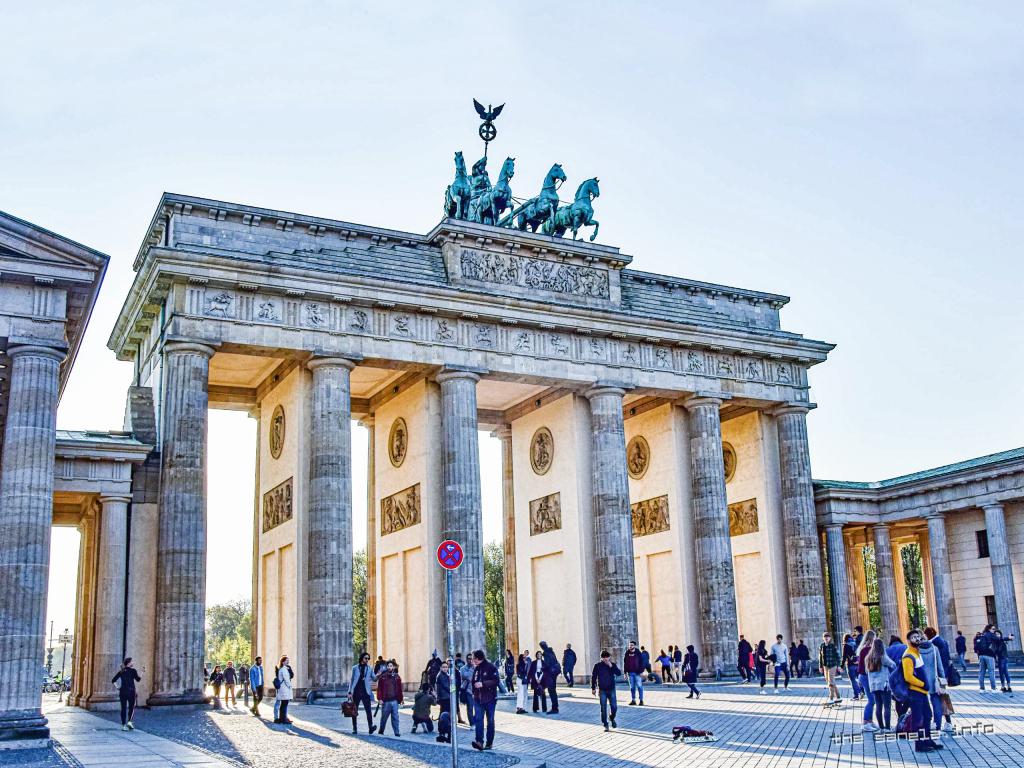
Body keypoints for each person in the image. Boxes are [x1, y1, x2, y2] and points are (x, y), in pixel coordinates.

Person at [902, 629, 943, 753]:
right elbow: (908, 676)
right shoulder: (908, 655)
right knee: (918, 719)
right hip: (915, 692)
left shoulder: (916, 652)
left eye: (918, 637)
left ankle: (927, 740)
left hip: (921, 692)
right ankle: (919, 745)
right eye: (914, 637)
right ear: (908, 641)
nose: (917, 639)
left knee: (927, 716)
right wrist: (923, 684)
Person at [920, 627, 951, 735]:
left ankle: (925, 727)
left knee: (923, 704)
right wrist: (943, 680)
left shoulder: (916, 650)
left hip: (920, 681)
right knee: (936, 703)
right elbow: (940, 667)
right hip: (934, 681)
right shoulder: (934, 648)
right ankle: (937, 727)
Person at [864, 638, 896, 732]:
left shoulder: (868, 658)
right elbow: (893, 665)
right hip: (884, 685)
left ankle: (881, 727)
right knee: (887, 707)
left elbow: (866, 671)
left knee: (878, 706)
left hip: (873, 686)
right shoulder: (882, 657)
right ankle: (887, 727)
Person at [470, 649, 499, 751]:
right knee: (478, 720)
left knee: (490, 721)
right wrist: (474, 692)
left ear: (478, 658)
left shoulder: (491, 667)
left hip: (490, 699)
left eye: (473, 658)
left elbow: (496, 681)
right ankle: (479, 742)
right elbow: (473, 681)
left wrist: (483, 684)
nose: (472, 660)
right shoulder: (476, 669)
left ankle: (489, 743)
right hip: (478, 699)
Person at [591, 650, 621, 731]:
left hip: (611, 689)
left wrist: (611, 666)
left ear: (609, 657)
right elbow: (593, 677)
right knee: (603, 708)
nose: (605, 659)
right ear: (601, 658)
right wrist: (593, 688)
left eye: (607, 657)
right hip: (602, 690)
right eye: (603, 657)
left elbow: (618, 673)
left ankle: (611, 718)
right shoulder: (597, 666)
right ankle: (605, 724)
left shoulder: (612, 665)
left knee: (614, 707)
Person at [347, 652, 376, 734]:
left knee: (368, 711)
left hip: (366, 692)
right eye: (366, 658)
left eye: (368, 659)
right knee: (354, 711)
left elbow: (374, 679)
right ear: (362, 658)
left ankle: (370, 727)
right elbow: (352, 681)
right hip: (356, 692)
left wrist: (378, 675)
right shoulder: (355, 668)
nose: (367, 660)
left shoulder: (370, 668)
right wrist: (349, 692)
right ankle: (354, 728)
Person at [855, 630, 877, 730]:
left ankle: (870, 721)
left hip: (863, 676)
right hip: (866, 676)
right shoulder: (868, 649)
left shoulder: (863, 649)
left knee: (872, 700)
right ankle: (865, 722)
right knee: (871, 700)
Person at [112, 657, 141, 731]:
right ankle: (129, 722)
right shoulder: (133, 671)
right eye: (132, 662)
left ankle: (124, 725)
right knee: (131, 707)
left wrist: (117, 687)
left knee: (123, 708)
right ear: (129, 663)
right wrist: (142, 672)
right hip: (131, 691)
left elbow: (113, 680)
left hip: (123, 691)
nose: (133, 663)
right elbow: (138, 680)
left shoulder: (121, 671)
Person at [376, 659, 403, 736]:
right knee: (384, 718)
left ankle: (396, 732)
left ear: (394, 667)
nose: (389, 667)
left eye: (391, 666)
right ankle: (381, 730)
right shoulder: (383, 677)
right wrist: (379, 698)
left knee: (395, 718)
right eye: (388, 666)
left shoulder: (397, 677)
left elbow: (400, 689)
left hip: (394, 701)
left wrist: (401, 699)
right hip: (386, 701)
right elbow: (379, 689)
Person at [819, 632, 842, 706]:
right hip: (825, 666)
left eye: (828, 637)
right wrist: (820, 666)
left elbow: (838, 656)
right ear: (823, 638)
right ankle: (838, 697)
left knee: (831, 682)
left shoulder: (833, 646)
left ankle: (831, 698)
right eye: (825, 637)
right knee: (829, 681)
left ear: (830, 638)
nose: (826, 638)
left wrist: (839, 665)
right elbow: (820, 657)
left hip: (833, 665)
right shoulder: (822, 646)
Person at [539, 641, 561, 714]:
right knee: (553, 690)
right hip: (554, 674)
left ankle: (554, 708)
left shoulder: (546, 653)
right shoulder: (551, 652)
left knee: (551, 690)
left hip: (550, 675)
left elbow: (547, 665)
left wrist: (542, 668)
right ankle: (555, 707)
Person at [976, 625, 998, 691]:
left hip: (981, 656)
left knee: (981, 672)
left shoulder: (982, 635)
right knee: (991, 672)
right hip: (989, 655)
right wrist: (1008, 638)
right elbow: (999, 639)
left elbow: (976, 646)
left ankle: (982, 689)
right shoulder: (990, 634)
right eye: (993, 629)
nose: (994, 630)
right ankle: (993, 689)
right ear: (989, 629)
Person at [623, 640, 645, 705]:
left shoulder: (638, 652)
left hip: (637, 673)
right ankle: (633, 700)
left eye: (631, 645)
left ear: (634, 646)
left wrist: (641, 671)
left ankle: (641, 700)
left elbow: (642, 662)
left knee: (639, 686)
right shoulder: (627, 653)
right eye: (629, 645)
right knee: (632, 688)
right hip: (630, 673)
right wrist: (625, 673)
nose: (630, 646)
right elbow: (625, 663)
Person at [842, 633, 863, 700]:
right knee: (859, 679)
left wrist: (841, 666)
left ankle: (857, 694)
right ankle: (862, 691)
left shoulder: (845, 645)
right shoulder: (856, 644)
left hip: (850, 664)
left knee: (853, 680)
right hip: (857, 664)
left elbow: (844, 656)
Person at [993, 628, 1014, 693]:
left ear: (1000, 634)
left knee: (1003, 672)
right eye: (996, 634)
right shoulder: (997, 641)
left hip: (1002, 658)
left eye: (998, 634)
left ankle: (1005, 686)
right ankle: (1006, 686)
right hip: (1002, 658)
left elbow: (1005, 639)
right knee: (1004, 672)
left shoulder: (1001, 640)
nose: (997, 635)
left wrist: (1009, 637)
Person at [275, 655, 294, 724]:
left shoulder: (283, 668)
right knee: (284, 704)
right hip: (285, 688)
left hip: (283, 688)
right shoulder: (283, 669)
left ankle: (282, 719)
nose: (288, 661)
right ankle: (283, 719)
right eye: (286, 660)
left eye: (288, 660)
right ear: (283, 662)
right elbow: (286, 679)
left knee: (283, 704)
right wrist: (290, 686)